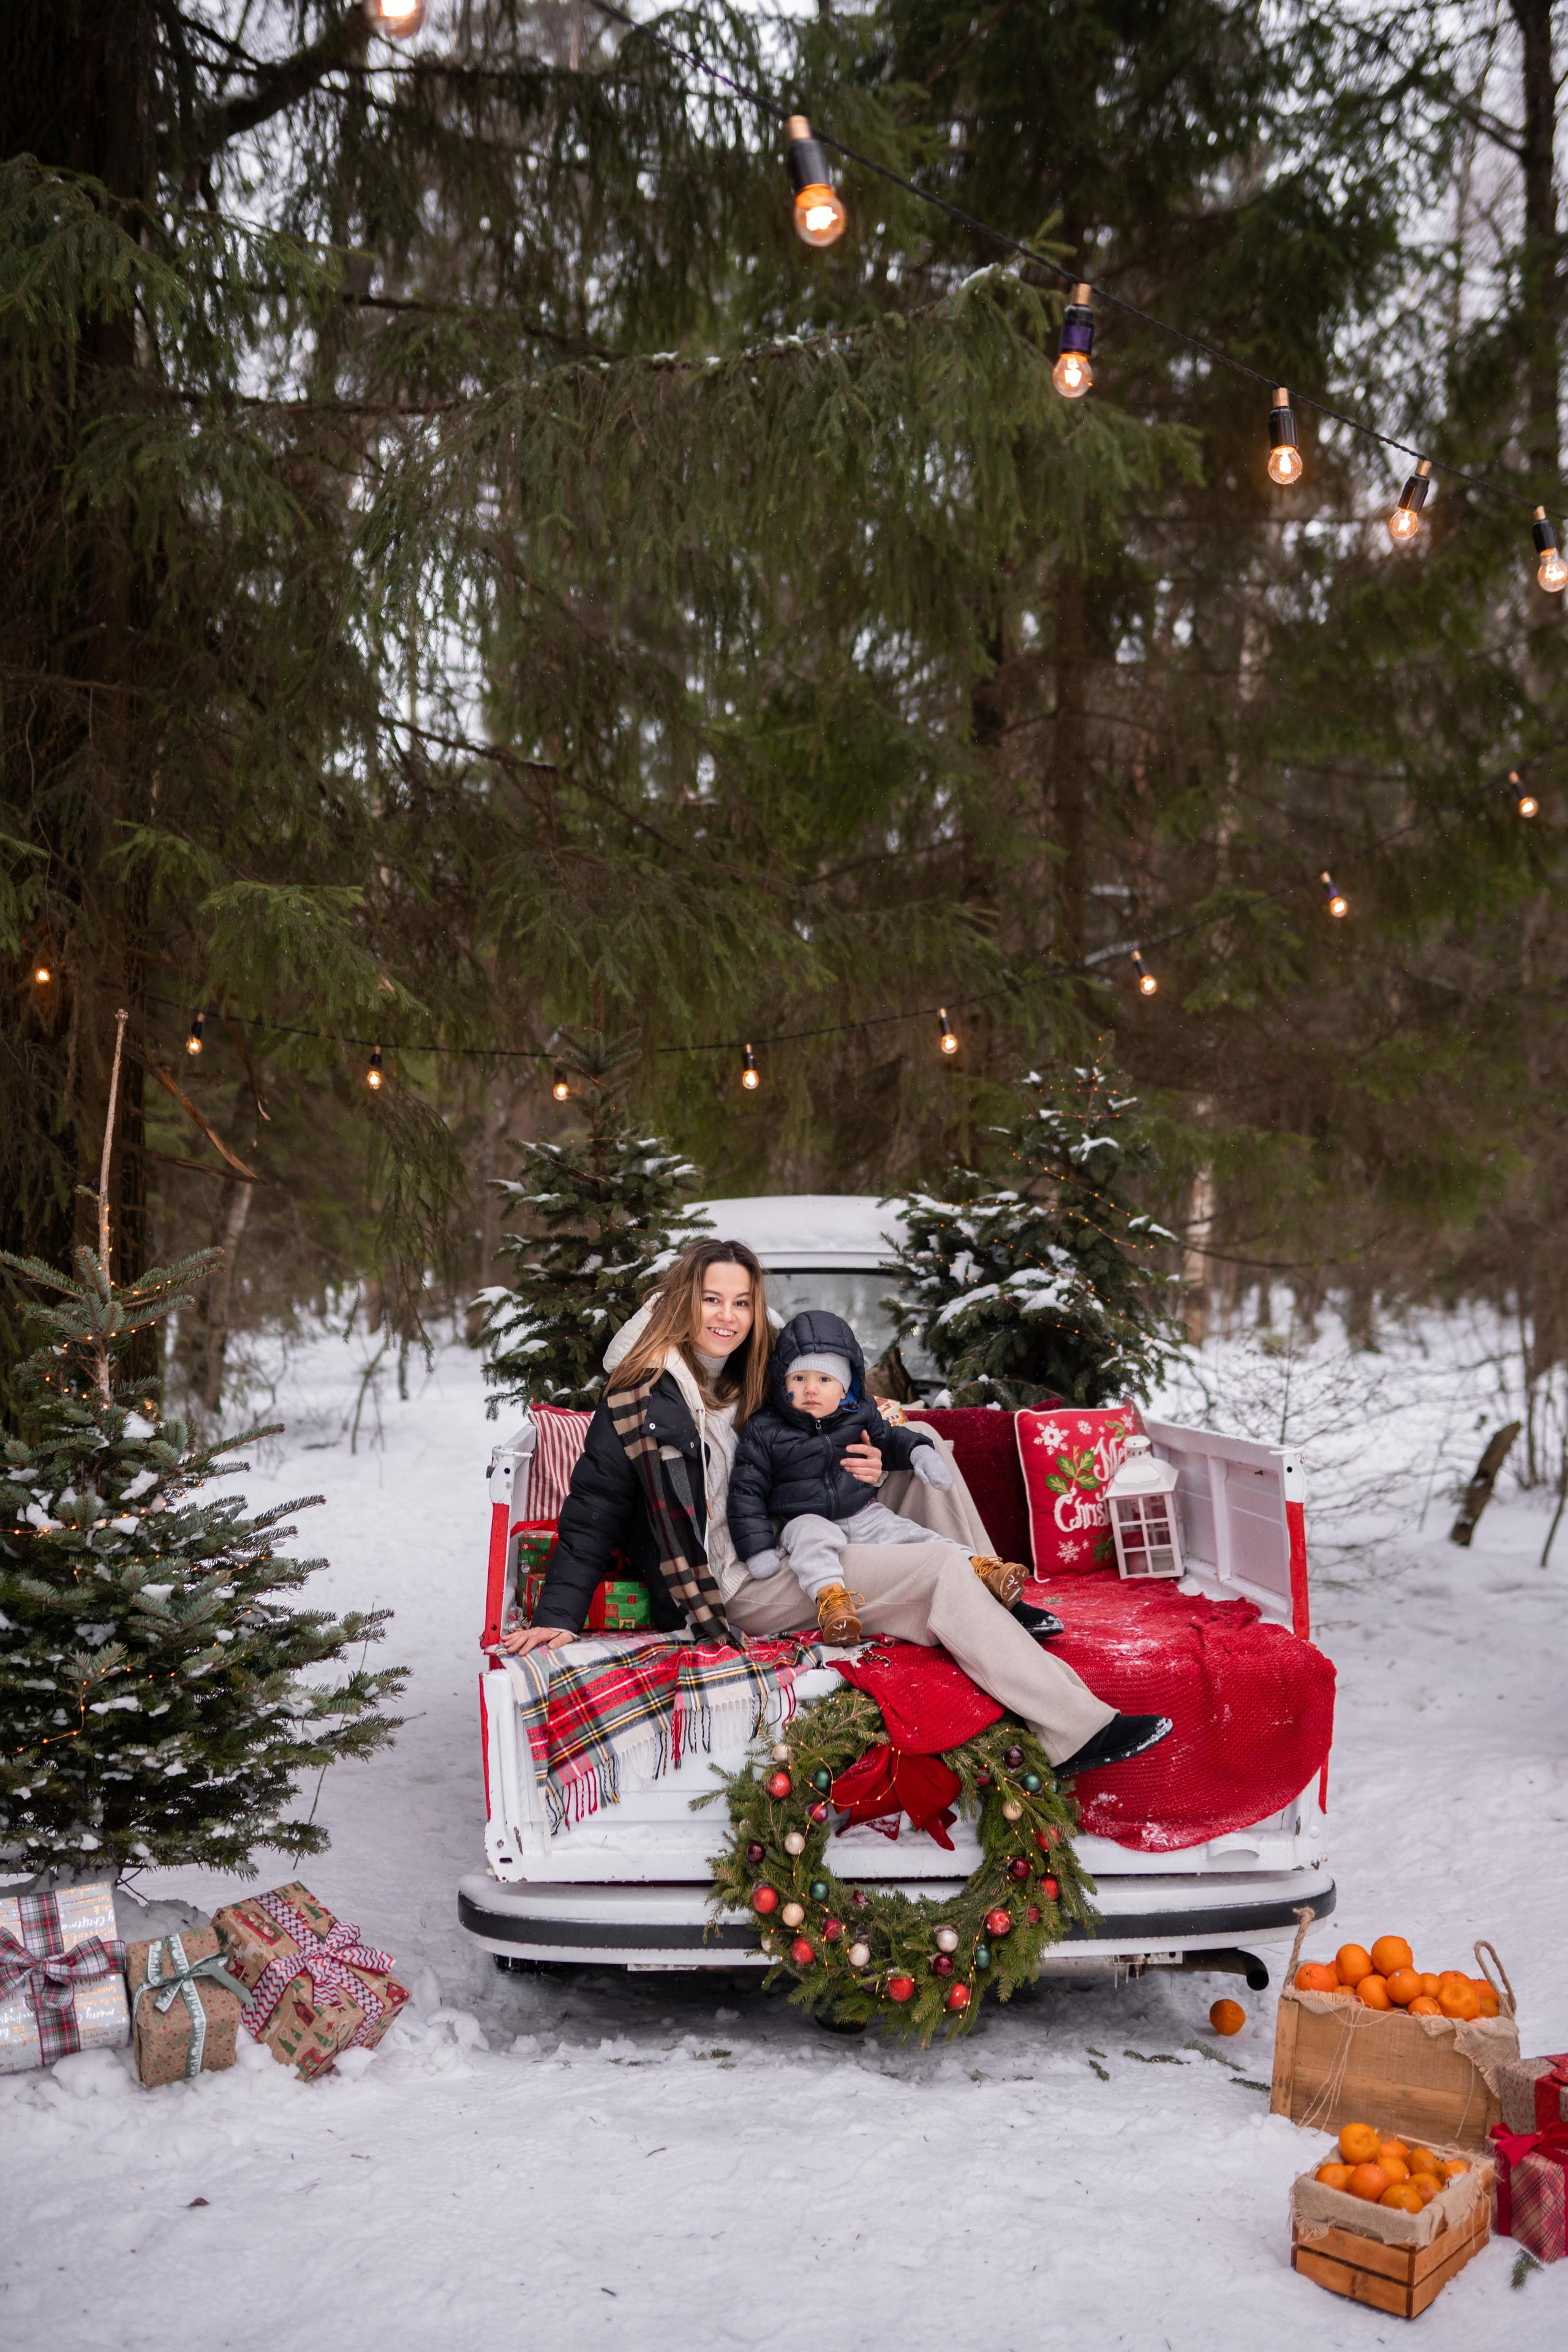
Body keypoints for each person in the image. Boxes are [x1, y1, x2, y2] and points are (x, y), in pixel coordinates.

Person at [502, 1239, 1171, 1776]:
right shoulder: (640, 1401)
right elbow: (594, 1506)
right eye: (711, 1300)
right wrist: (558, 1615)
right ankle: (1075, 1731)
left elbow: (832, 1424)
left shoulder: (759, 1376)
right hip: (739, 1581)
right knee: (938, 1570)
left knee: (921, 1446)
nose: (726, 1317)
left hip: (801, 1525)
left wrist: (873, 1457)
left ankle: (995, 1594)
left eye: (740, 1302)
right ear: (683, 1303)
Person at [728, 1308, 1031, 1644]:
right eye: (799, 1379)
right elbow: (747, 1490)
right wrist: (757, 1549)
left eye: (825, 1379)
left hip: (862, 1512)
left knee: (912, 1535)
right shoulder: (765, 1427)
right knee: (811, 1544)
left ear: (845, 1389)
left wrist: (920, 1452)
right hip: (802, 1517)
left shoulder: (859, 1414)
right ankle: (834, 1605)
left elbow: (890, 1439)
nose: (811, 1389)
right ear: (782, 1383)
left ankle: (982, 1569)